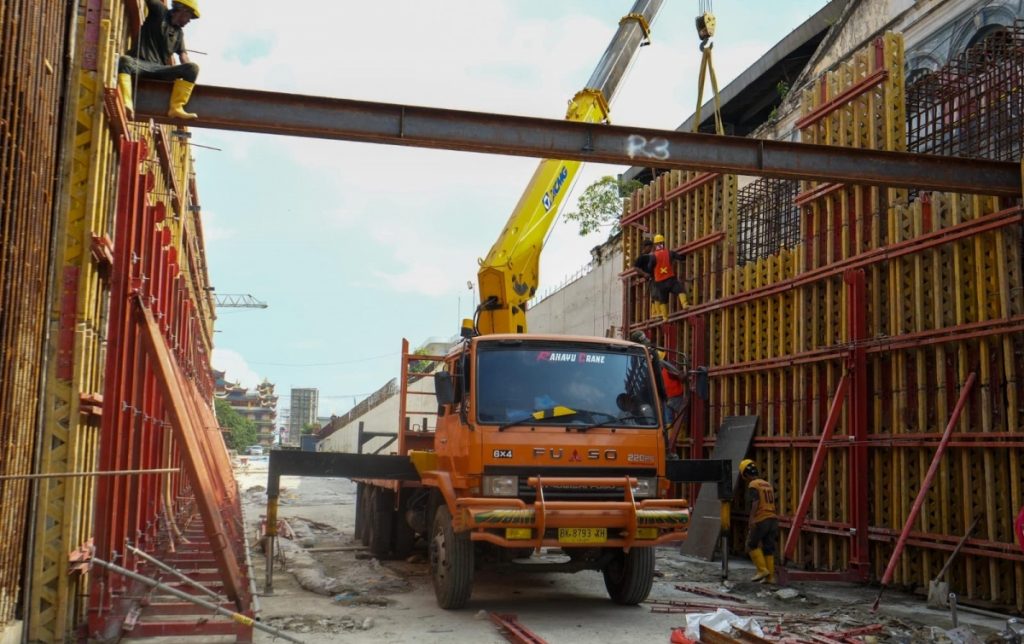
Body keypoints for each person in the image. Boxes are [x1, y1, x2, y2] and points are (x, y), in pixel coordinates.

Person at [118, 0, 202, 121]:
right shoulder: (160, 11)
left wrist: (191, 77)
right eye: (189, 17)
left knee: (193, 68)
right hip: (140, 65)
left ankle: (176, 107)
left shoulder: (179, 34)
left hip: (160, 70)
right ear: (183, 10)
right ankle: (127, 103)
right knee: (125, 61)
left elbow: (183, 56)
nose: (189, 21)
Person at [740, 458, 778, 583]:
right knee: (768, 548)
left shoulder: (753, 484)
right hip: (773, 519)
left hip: (761, 519)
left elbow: (755, 502)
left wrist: (751, 518)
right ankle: (770, 577)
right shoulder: (767, 484)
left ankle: (762, 570)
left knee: (751, 545)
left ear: (745, 474)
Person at [635, 234, 688, 321]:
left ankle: (665, 317)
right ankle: (684, 304)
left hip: (659, 282)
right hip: (670, 278)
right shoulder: (669, 252)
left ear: (655, 245)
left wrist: (647, 273)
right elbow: (681, 257)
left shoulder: (653, 256)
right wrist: (685, 254)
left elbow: (649, 267)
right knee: (680, 290)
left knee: (663, 299)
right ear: (663, 243)